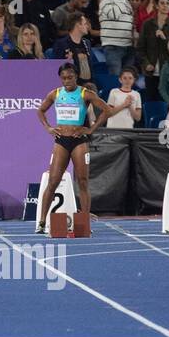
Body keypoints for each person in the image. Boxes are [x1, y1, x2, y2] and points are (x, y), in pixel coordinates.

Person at [35, 62, 110, 234]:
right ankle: (41, 222)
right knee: (53, 181)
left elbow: (106, 110)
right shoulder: (55, 94)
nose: (67, 81)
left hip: (79, 141)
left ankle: (84, 224)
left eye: (70, 77)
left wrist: (90, 129)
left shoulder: (85, 93)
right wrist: (48, 128)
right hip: (61, 141)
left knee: (83, 182)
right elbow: (40, 111)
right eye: (63, 78)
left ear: (76, 76)